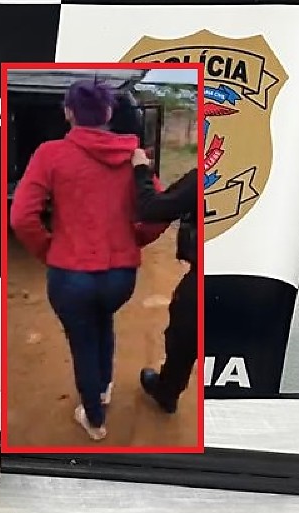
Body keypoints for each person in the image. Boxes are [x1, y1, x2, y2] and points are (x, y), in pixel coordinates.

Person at [10, 80, 167, 441]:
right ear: (109, 112)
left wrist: (48, 250)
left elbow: (21, 217)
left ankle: (94, 419)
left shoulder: (51, 154)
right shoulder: (133, 156)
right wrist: (135, 239)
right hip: (120, 276)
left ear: (68, 113)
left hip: (71, 275)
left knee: (82, 339)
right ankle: (104, 387)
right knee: (103, 320)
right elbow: (159, 210)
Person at [131, 148, 199, 413]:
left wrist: (141, 170)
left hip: (204, 280)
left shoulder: (205, 178)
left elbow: (152, 209)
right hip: (251, 278)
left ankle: (167, 392)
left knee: (183, 337)